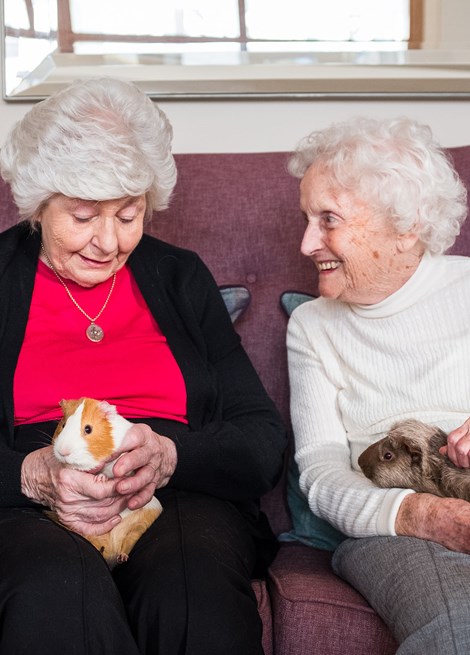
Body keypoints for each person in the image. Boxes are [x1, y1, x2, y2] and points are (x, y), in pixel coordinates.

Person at [0, 77, 287, 655]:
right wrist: (33, 475)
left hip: (175, 493)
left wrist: (171, 456)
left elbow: (262, 440)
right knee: (54, 591)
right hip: (30, 503)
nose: (107, 242)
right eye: (82, 216)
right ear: (38, 202)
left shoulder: (179, 277)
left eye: (129, 215)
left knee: (191, 587)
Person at [286, 116, 470, 653]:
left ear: (406, 226)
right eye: (306, 219)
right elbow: (319, 473)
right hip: (392, 529)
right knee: (458, 629)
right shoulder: (313, 327)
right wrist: (422, 514)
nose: (305, 243)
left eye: (328, 220)